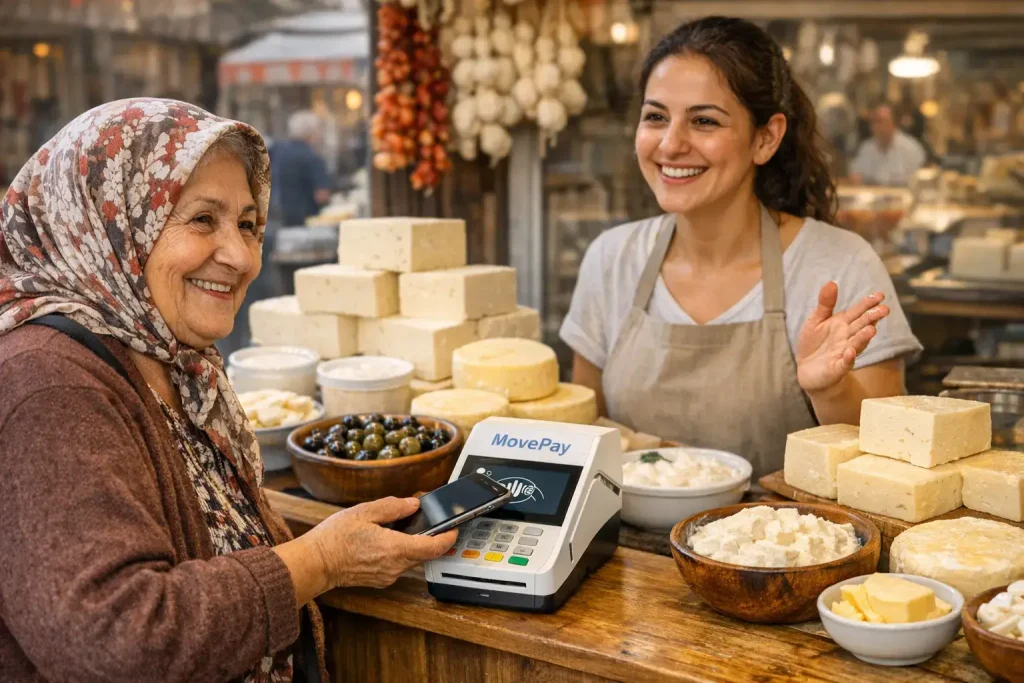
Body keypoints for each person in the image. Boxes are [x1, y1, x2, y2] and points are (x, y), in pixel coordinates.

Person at [0, 99, 455, 683]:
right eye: (200, 219)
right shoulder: (47, 383)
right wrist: (322, 560)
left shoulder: (169, 359)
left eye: (246, 224)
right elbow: (120, 638)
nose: (240, 257)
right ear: (109, 224)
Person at [560, 17, 922, 478]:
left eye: (704, 121)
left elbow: (889, 464)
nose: (671, 144)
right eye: (656, 117)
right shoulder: (611, 259)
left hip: (786, 545)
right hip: (625, 548)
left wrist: (829, 392)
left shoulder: (839, 266)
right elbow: (583, 430)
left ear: (766, 137)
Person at [269, 110, 334, 228]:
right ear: (313, 133)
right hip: (305, 224)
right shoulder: (313, 157)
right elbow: (322, 195)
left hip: (274, 221)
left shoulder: (275, 150)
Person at [849, 103, 928, 186]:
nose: (875, 126)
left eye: (880, 121)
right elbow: (856, 177)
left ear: (893, 124)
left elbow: (919, 183)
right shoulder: (866, 149)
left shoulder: (911, 149)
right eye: (873, 122)